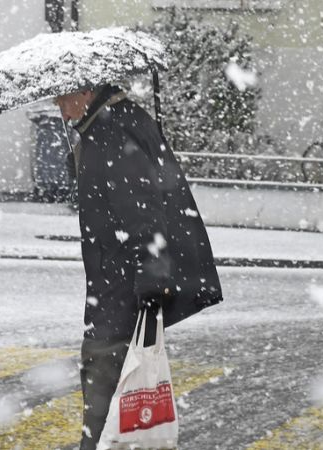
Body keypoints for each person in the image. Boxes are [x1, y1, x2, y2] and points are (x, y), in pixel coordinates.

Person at [53, 84, 224, 449]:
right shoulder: (113, 124)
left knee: (104, 383)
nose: (63, 112)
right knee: (113, 391)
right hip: (118, 281)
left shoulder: (111, 133)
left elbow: (143, 212)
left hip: (119, 287)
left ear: (85, 91)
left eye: (64, 101)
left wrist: (149, 282)